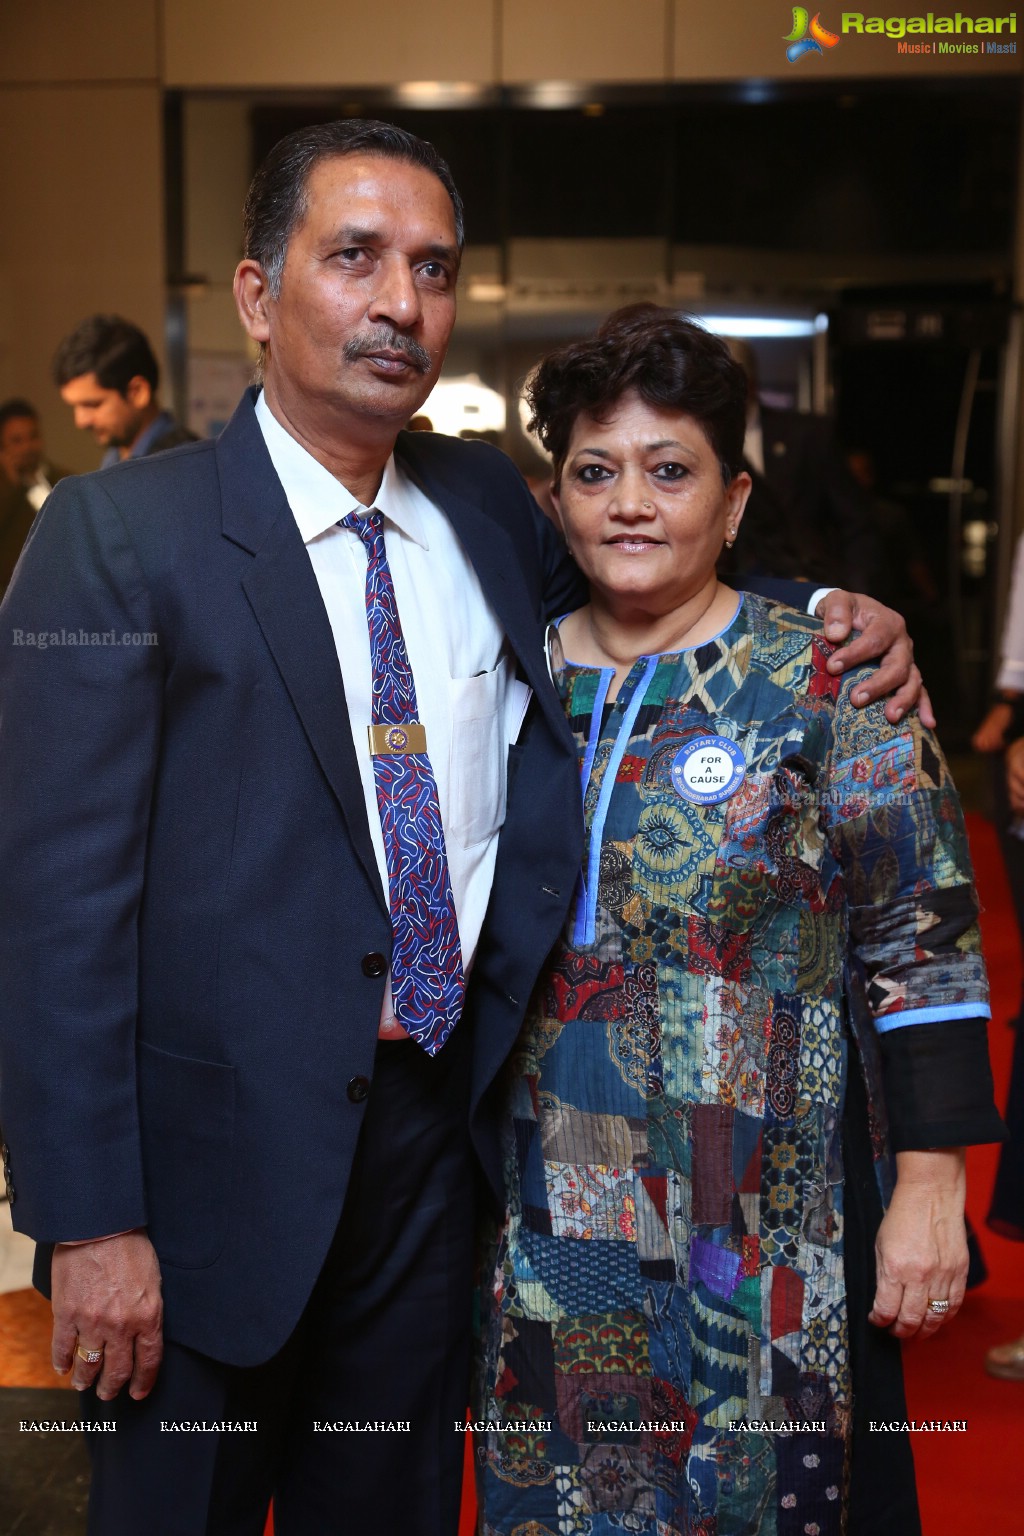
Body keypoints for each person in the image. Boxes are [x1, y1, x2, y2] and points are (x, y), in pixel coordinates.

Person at [0, 124, 919, 1536]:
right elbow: (51, 909)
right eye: (355, 257)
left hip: (444, 1158)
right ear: (258, 294)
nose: (399, 304)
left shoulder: (492, 507)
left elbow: (657, 571)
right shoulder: (123, 538)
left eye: (432, 269)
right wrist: (88, 1222)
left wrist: (832, 622)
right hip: (203, 1189)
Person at [473, 305, 1003, 1536]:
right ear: (555, 498)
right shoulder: (506, 681)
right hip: (560, 1200)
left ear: (735, 497)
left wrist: (929, 1185)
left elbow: (922, 941)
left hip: (771, 1208)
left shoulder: (831, 681)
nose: (632, 503)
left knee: (767, 1499)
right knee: (578, 1504)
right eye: (596, 472)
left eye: (671, 471)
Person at [52, 314, 196, 465]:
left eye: (93, 404)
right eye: (75, 406)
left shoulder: (184, 464)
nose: (80, 421)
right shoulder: (115, 456)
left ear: (137, 392)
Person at [0, 396, 69, 592]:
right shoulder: (4, 492)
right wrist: (11, 485)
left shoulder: (63, 479)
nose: (27, 447)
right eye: (16, 440)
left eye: (33, 436)